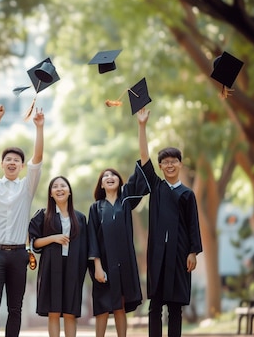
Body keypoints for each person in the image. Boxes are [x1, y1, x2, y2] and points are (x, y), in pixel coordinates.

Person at [137, 108, 202, 337]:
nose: (170, 165)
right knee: (155, 306)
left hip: (180, 254)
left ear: (180, 165)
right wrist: (142, 126)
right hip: (158, 255)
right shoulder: (156, 187)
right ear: (161, 167)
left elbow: (193, 225)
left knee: (175, 307)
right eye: (165, 162)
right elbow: (145, 159)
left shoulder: (187, 194)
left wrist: (193, 252)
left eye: (174, 161)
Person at [0, 104, 44, 337]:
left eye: (16, 160)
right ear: (2, 163)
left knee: (15, 307)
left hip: (19, 254)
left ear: (21, 166)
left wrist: (39, 127)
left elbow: (38, 158)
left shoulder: (26, 188)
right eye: (8, 159)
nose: (11, 162)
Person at [87, 158, 150, 337]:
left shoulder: (126, 201)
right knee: (102, 309)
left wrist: (142, 131)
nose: (109, 177)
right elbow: (92, 238)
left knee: (120, 307)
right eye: (105, 176)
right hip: (104, 266)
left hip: (124, 264)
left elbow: (141, 174)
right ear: (101, 184)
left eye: (113, 174)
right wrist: (97, 267)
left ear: (119, 181)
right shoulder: (95, 208)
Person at [28, 176, 88, 337]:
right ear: (51, 194)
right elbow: (34, 243)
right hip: (51, 267)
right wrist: (53, 238)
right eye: (55, 187)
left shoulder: (80, 218)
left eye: (63, 186)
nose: (59, 189)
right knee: (53, 311)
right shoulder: (43, 215)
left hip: (73, 267)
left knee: (70, 311)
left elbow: (86, 247)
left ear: (69, 192)